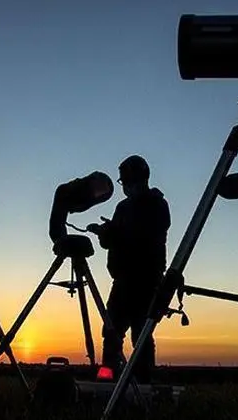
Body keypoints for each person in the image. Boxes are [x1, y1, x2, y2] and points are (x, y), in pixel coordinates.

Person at [87, 155, 170, 383]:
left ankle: (143, 385)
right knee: (112, 331)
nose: (125, 187)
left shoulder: (157, 205)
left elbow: (142, 239)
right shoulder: (122, 207)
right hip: (122, 281)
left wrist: (113, 233)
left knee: (141, 336)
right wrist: (105, 233)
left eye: (126, 182)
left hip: (146, 281)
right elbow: (113, 241)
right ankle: (108, 380)